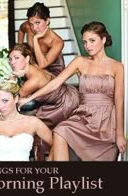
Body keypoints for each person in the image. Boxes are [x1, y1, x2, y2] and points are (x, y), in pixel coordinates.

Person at [18, 21, 127, 161]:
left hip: (106, 123)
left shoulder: (117, 67)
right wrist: (28, 98)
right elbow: (55, 83)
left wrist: (119, 133)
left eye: (92, 41)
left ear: (104, 39)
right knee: (60, 130)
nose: (88, 46)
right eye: (85, 42)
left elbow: (119, 100)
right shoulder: (80, 62)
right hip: (84, 116)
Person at [9, 43, 79, 128]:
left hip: (65, 104)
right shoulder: (34, 66)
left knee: (27, 123)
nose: (12, 62)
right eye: (10, 59)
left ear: (27, 58)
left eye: (16, 58)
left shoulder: (34, 80)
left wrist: (12, 77)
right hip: (70, 93)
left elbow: (11, 98)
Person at [18, 2, 65, 76]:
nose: (34, 28)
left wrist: (35, 39)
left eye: (38, 23)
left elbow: (42, 65)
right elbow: (21, 30)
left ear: (47, 21)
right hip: (35, 64)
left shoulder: (57, 41)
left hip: (53, 70)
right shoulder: (27, 26)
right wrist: (19, 47)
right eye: (31, 24)